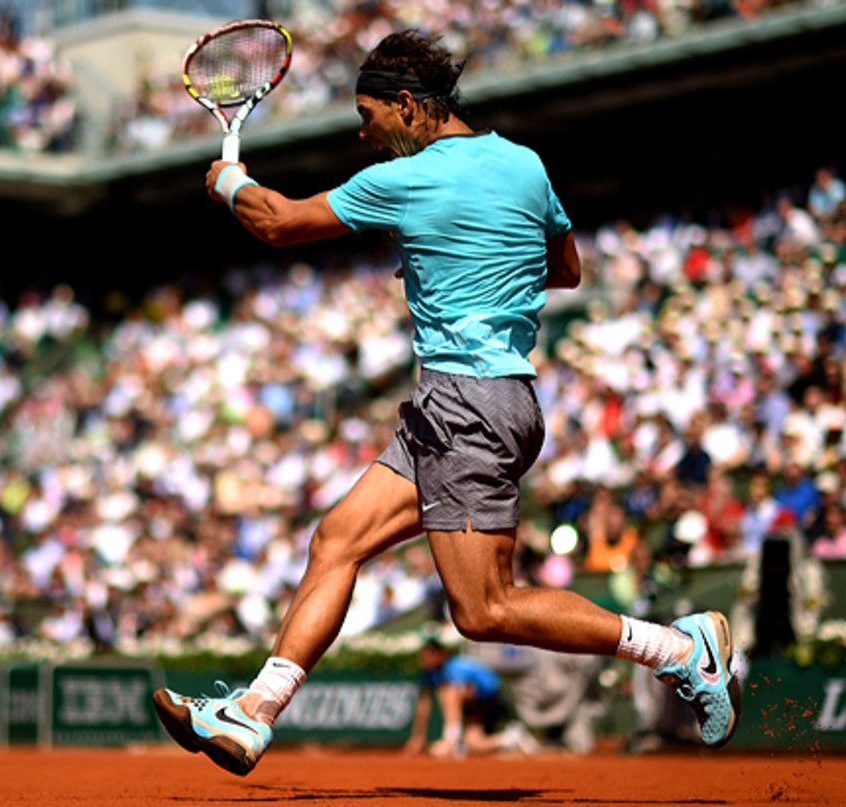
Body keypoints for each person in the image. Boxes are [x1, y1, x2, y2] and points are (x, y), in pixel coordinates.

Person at [152, 30, 741, 777]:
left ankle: (682, 649)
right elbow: (565, 269)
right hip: (488, 402)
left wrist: (230, 181)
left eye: (368, 115)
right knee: (337, 538)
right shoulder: (526, 165)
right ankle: (254, 712)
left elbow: (277, 221)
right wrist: (477, 264)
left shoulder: (407, 179)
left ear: (408, 105)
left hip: (467, 406)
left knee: (484, 609)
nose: (361, 133)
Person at [404, 628, 539, 758]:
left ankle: (451, 739)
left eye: (427, 657)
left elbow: (456, 693)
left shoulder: (455, 666)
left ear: (440, 654)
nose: (423, 661)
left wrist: (450, 739)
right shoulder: (429, 673)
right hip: (474, 704)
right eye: (422, 657)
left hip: (494, 697)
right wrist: (417, 737)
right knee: (474, 744)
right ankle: (510, 738)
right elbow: (423, 704)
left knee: (447, 691)